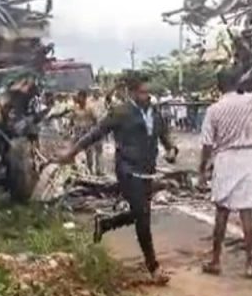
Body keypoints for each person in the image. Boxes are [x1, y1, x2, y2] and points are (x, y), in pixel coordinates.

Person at [56, 72, 178, 284]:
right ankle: (154, 267)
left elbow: (165, 137)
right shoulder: (120, 112)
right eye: (142, 92)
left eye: (148, 92)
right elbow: (96, 133)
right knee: (143, 216)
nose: (146, 96)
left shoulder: (155, 113)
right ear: (130, 92)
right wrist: (72, 152)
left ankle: (105, 224)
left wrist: (172, 150)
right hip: (127, 170)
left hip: (147, 171)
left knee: (140, 213)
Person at [199, 70, 252, 279]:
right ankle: (250, 264)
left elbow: (207, 144)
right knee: (246, 214)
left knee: (222, 213)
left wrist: (202, 169)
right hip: (247, 159)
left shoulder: (214, 110)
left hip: (225, 159)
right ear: (238, 83)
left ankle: (216, 261)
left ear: (218, 87)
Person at [71, 90, 103, 176]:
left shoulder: (90, 108)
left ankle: (91, 170)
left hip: (87, 131)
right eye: (78, 97)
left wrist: (96, 132)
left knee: (89, 152)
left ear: (84, 98)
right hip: (78, 131)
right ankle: (75, 169)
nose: (78, 99)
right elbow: (72, 119)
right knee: (74, 150)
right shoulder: (75, 108)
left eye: (80, 97)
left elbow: (96, 120)